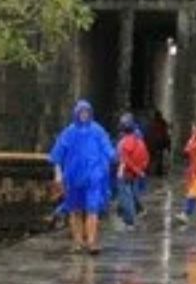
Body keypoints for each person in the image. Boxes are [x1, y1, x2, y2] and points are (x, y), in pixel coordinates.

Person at [49, 100, 116, 255]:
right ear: (76, 114)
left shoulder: (98, 131)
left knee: (93, 209)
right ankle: (78, 241)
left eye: (87, 112)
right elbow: (57, 155)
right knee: (75, 210)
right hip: (73, 178)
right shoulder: (69, 132)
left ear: (90, 113)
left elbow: (107, 148)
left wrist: (115, 158)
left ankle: (91, 241)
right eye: (81, 112)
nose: (84, 115)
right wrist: (58, 175)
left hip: (93, 178)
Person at [115, 114, 150, 228]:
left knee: (126, 196)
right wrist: (140, 170)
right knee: (131, 194)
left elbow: (124, 158)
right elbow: (145, 157)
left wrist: (132, 169)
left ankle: (129, 220)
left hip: (126, 172)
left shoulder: (126, 141)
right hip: (134, 173)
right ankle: (134, 212)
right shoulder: (139, 140)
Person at [175, 119, 196, 226]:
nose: (192, 131)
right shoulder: (193, 138)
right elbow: (186, 151)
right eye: (192, 129)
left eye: (194, 129)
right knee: (195, 193)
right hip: (194, 169)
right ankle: (188, 214)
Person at [146, 110, 171, 177]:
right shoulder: (162, 124)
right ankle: (158, 172)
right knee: (159, 158)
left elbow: (147, 134)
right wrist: (168, 147)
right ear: (160, 116)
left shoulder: (150, 123)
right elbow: (166, 136)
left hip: (150, 145)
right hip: (158, 144)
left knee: (151, 158)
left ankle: (148, 171)